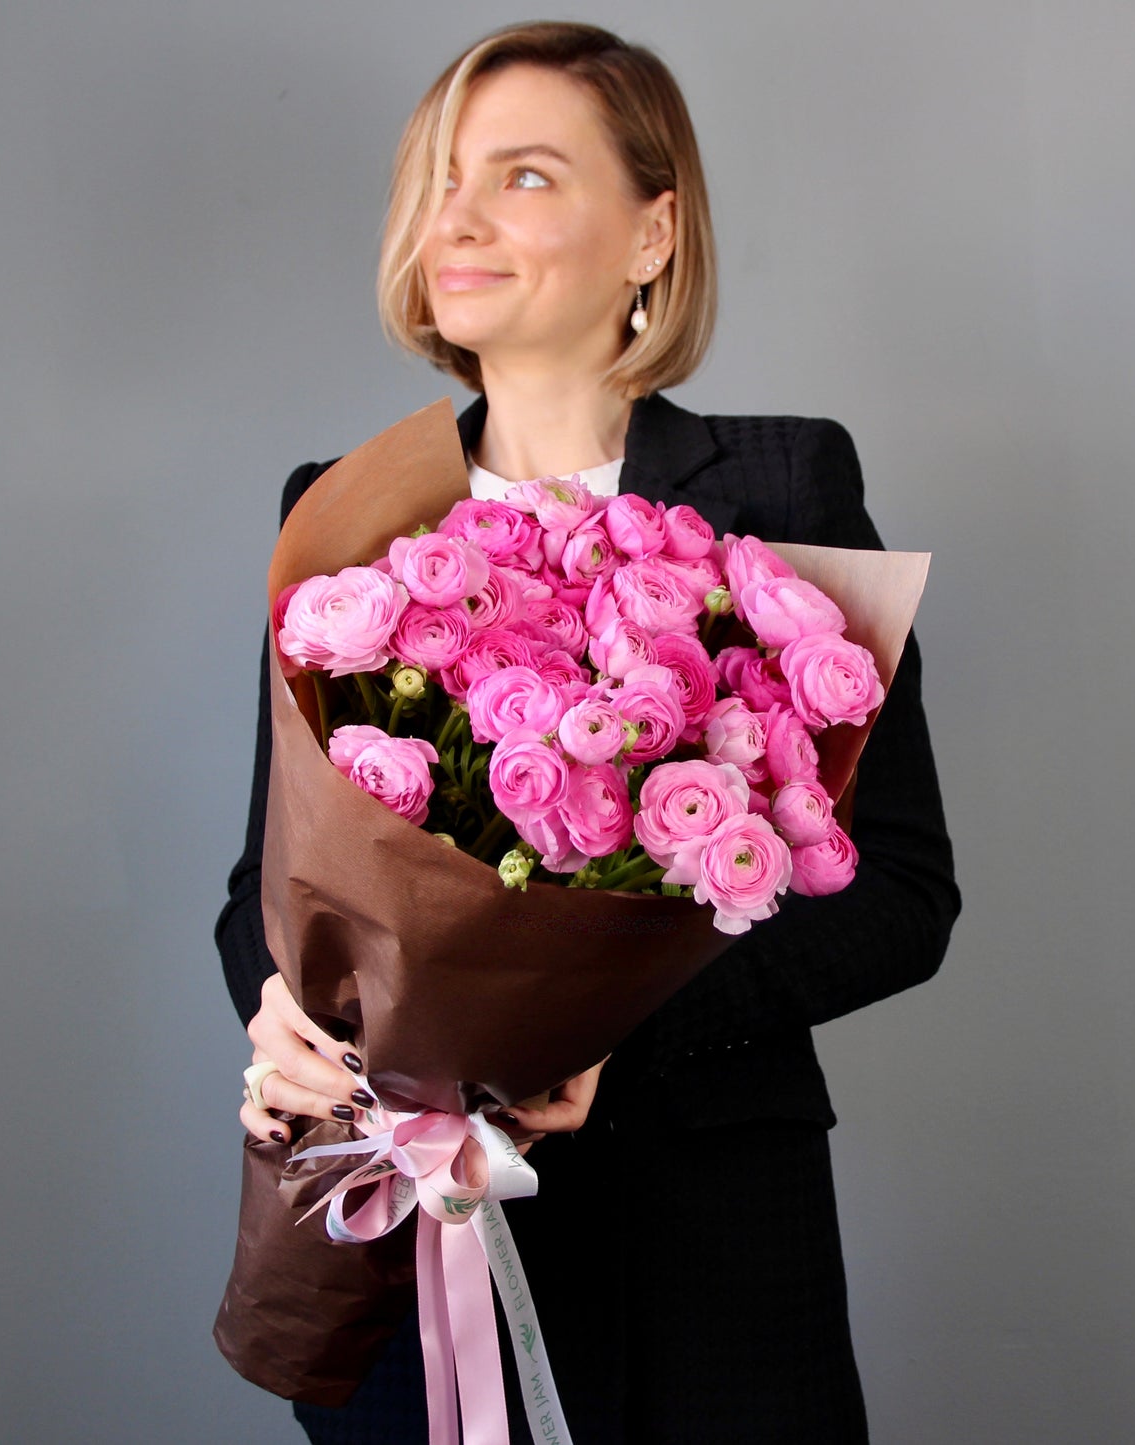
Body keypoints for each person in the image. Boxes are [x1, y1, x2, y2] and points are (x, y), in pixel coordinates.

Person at [215, 20, 959, 1443]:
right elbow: (255, 892)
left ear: (651, 230)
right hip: (406, 1235)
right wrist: (284, 1019)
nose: (461, 216)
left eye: (528, 175)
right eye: (442, 176)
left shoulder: (784, 480)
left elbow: (901, 897)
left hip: (706, 1247)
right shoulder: (348, 507)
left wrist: (616, 1031)